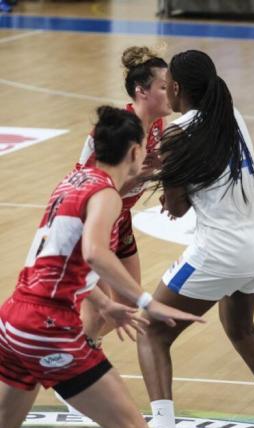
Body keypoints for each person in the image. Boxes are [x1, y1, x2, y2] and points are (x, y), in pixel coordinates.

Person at [136, 50, 254, 428]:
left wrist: (162, 182)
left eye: (167, 87)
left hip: (223, 250)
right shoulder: (230, 116)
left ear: (179, 89)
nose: (165, 94)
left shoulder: (176, 132)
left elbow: (177, 206)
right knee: (240, 327)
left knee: (151, 331)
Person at [0, 106, 204, 428]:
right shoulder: (106, 194)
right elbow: (95, 252)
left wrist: (105, 303)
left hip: (13, 320)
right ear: (135, 151)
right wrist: (146, 301)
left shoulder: (72, 180)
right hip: (48, 326)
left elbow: (62, 260)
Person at [79, 45, 171, 340]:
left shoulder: (157, 123)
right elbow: (88, 187)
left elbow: (158, 166)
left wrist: (167, 183)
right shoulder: (117, 129)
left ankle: (78, 352)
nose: (171, 92)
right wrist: (140, 177)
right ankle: (70, 368)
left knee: (129, 303)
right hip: (94, 219)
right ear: (141, 91)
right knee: (97, 312)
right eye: (164, 87)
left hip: (121, 216)